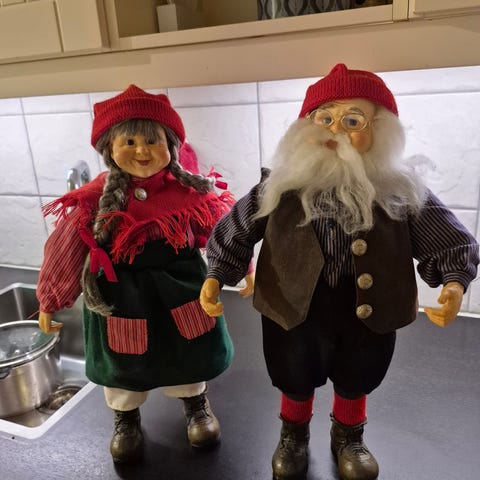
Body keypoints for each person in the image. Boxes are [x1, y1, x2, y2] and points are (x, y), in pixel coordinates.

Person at [199, 64, 479, 480]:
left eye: (353, 121)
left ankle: (348, 435)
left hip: (367, 306)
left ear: (382, 131)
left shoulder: (397, 190)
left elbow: (449, 238)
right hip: (293, 304)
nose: (336, 130)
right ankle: (293, 434)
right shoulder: (280, 186)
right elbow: (236, 228)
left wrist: (454, 281)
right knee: (294, 371)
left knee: (357, 372)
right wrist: (216, 274)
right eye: (325, 118)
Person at [36, 84, 253, 464]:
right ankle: (126, 420)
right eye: (130, 141)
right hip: (122, 295)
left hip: (182, 289)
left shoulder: (189, 192)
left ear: (171, 146)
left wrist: (243, 268)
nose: (142, 151)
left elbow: (225, 232)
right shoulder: (94, 200)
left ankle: (196, 406)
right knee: (123, 364)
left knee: (190, 354)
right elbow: (66, 248)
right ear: (109, 149)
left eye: (153, 141)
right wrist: (51, 299)